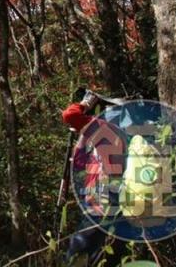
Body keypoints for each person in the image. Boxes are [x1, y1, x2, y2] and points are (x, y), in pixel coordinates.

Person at [62, 89, 127, 266]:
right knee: (109, 255)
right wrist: (83, 135)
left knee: (78, 252)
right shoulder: (125, 135)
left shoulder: (104, 128)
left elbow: (70, 115)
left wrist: (85, 104)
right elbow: (80, 161)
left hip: (101, 201)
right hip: (115, 200)